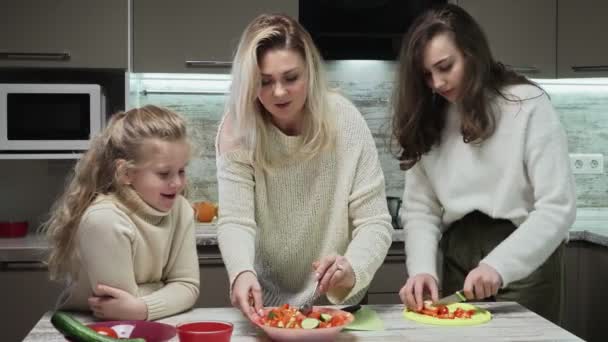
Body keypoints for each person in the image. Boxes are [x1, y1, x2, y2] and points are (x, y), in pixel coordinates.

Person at [392, 4, 576, 324]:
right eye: (426, 75)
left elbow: (557, 207)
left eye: (445, 67)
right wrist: (421, 270)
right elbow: (421, 209)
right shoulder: (430, 118)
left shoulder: (528, 106)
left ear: (471, 53)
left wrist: (499, 265)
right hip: (457, 257)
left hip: (525, 260)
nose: (436, 83)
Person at [216, 13, 394, 321]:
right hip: (266, 306)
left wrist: (351, 269)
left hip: (335, 306)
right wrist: (241, 272)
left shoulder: (346, 122)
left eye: (291, 78)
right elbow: (236, 220)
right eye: (265, 82)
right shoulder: (238, 131)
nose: (279, 92)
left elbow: (374, 222)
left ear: (310, 72)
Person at [44, 105, 200, 321]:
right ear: (126, 173)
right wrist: (167, 291)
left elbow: (188, 287)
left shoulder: (181, 210)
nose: (177, 183)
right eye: (164, 173)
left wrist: (142, 306)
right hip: (91, 327)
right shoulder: (105, 220)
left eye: (181, 171)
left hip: (149, 322)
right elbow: (118, 308)